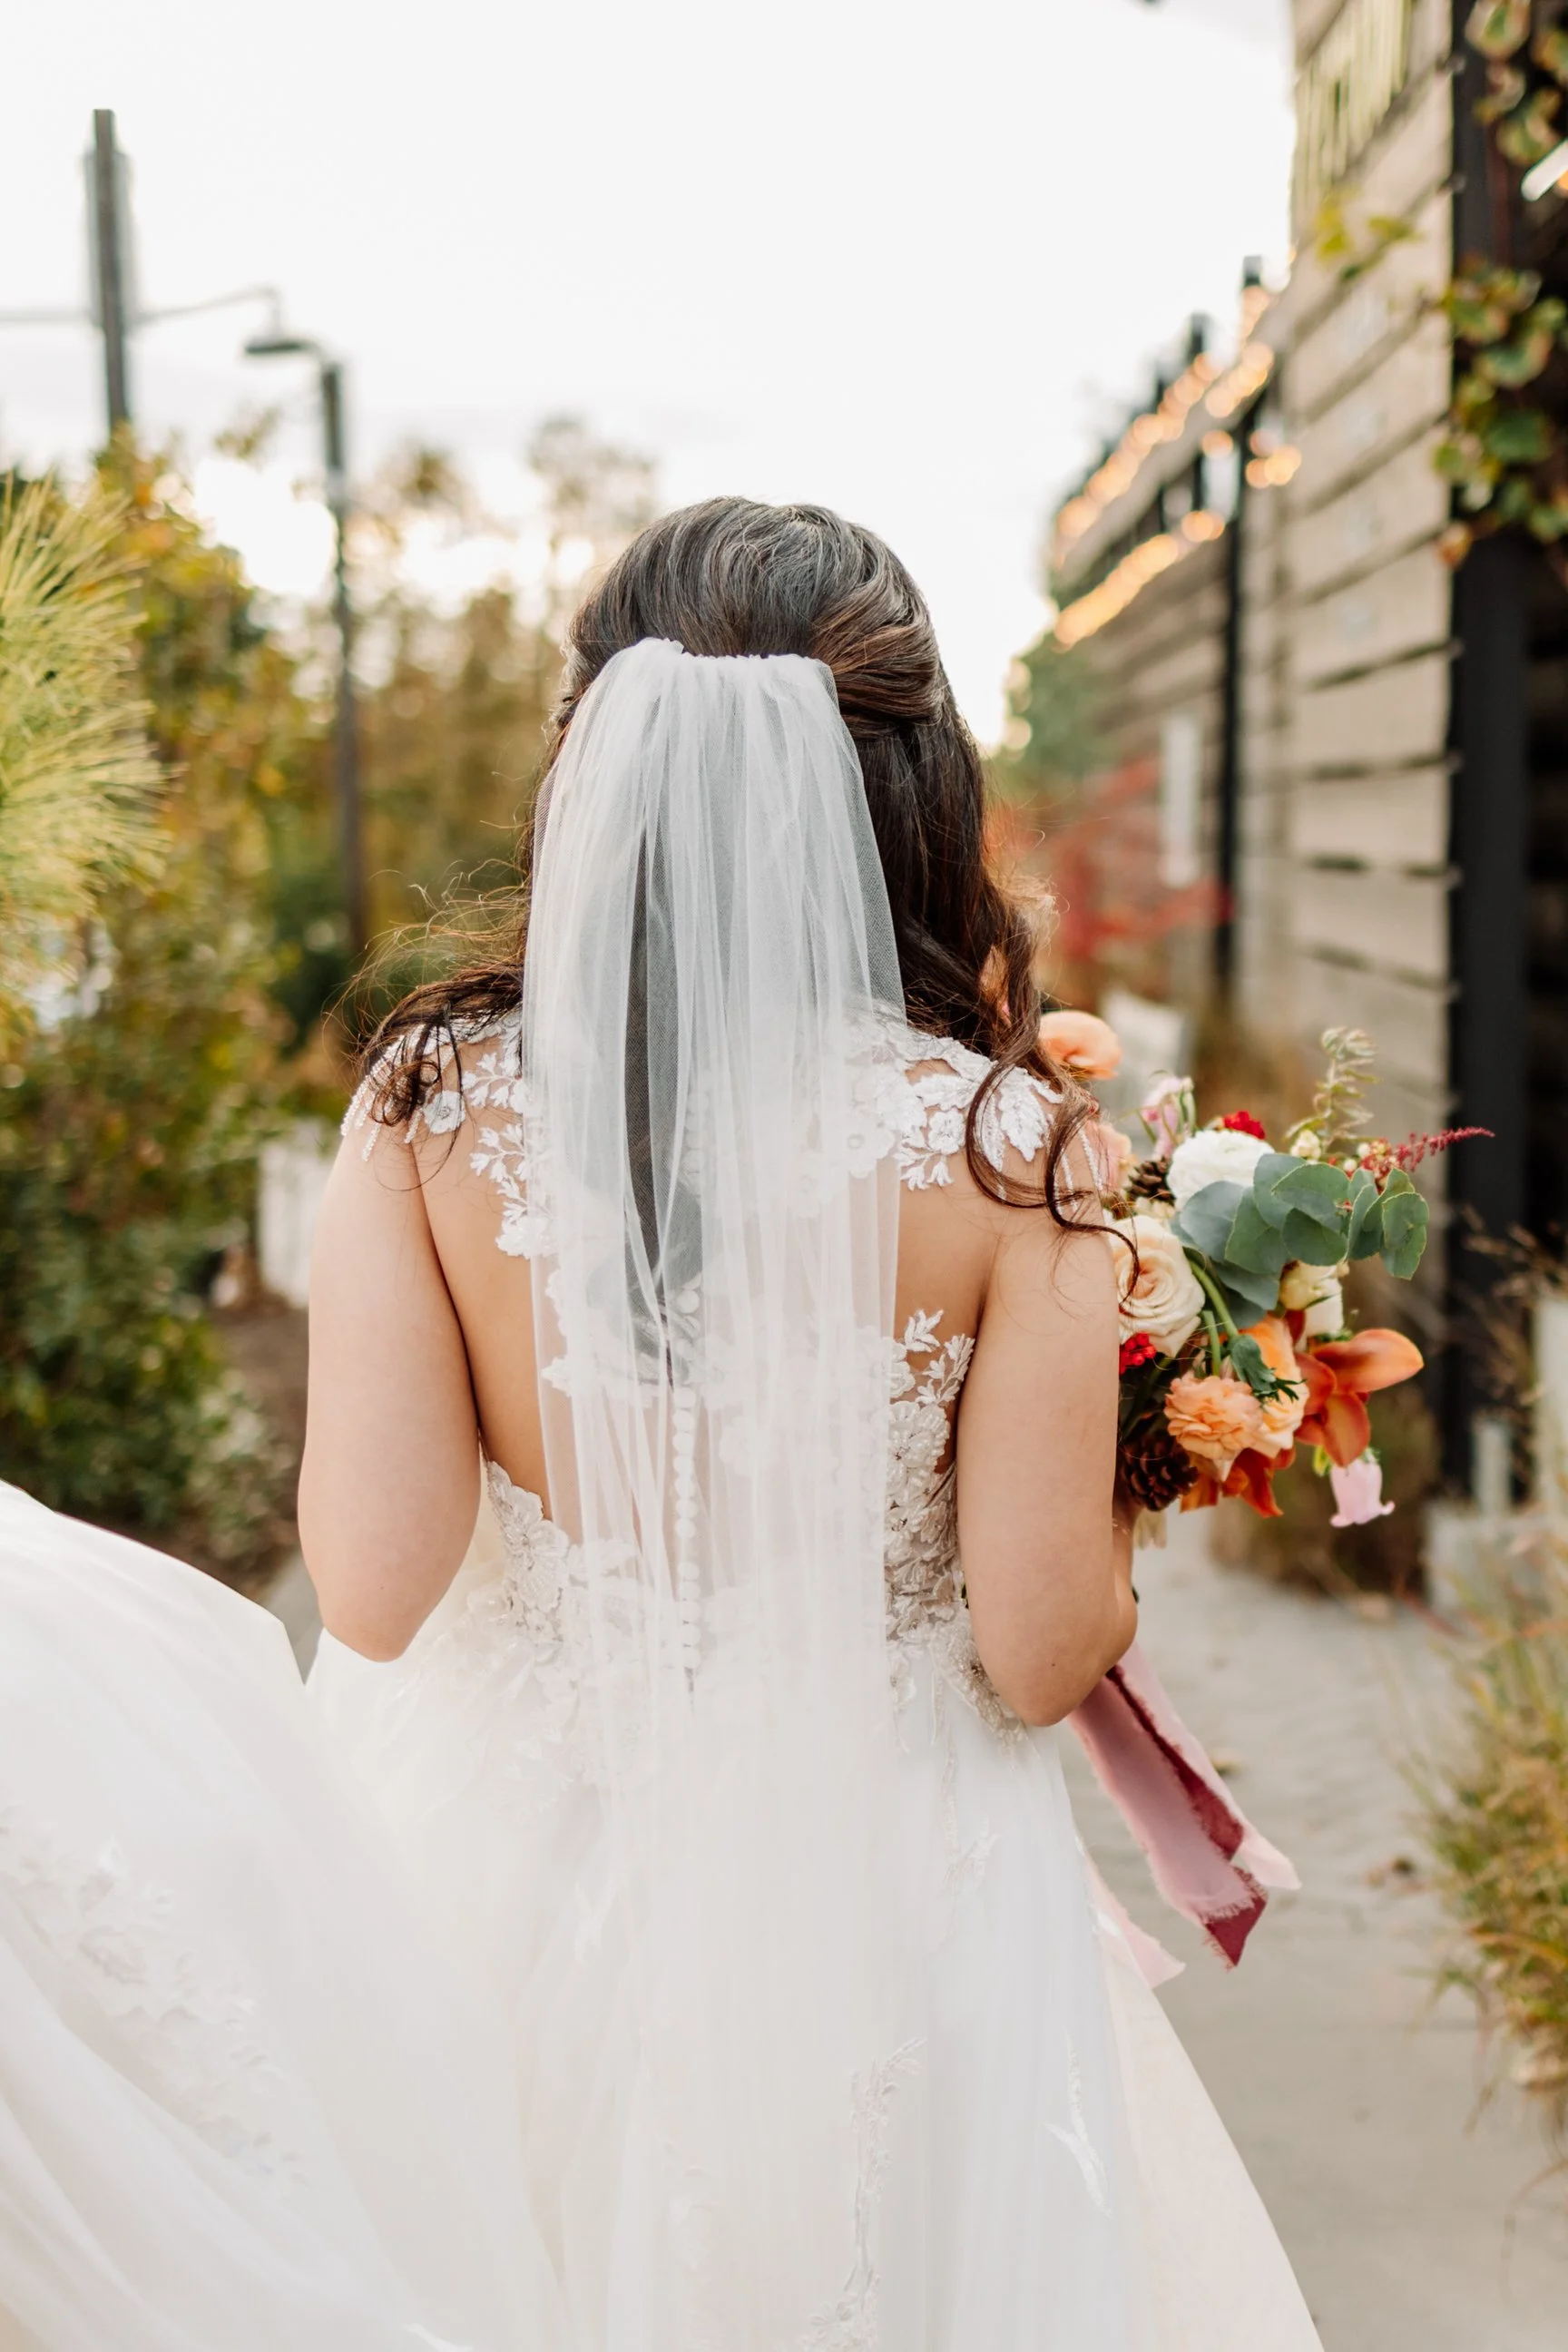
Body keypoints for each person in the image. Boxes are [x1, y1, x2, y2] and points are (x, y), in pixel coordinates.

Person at [0, 499, 1319, 2350]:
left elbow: (373, 1591)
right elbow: (1036, 1652)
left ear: (591, 764)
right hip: (893, 1892)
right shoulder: (1013, 1153)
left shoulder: (431, 1103)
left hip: (502, 1859)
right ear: (919, 790)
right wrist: (1144, 1458)